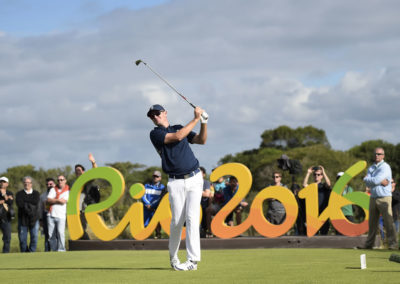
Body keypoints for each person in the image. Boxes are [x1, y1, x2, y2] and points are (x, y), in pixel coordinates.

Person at [147, 104, 207, 271]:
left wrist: (204, 122)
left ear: (165, 113)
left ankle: (192, 261)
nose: (155, 117)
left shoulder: (180, 127)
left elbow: (201, 140)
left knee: (193, 219)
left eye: (157, 113)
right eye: (152, 116)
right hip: (175, 182)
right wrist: (196, 118)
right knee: (177, 222)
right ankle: (174, 258)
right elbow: (178, 137)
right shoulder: (156, 134)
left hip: (195, 178)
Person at [361, 147, 397, 250]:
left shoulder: (385, 167)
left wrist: (371, 180)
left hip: (384, 197)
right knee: (372, 223)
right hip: (373, 197)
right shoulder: (371, 167)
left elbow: (372, 180)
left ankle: (393, 244)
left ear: (383, 156)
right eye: (375, 154)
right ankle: (369, 245)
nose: (377, 156)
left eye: (379, 154)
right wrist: (376, 180)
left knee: (388, 222)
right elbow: (367, 181)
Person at [303, 165, 331, 235]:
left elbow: (329, 184)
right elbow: (304, 185)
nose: (316, 176)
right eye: (315, 174)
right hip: (313, 215)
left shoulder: (323, 186)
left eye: (319, 175)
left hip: (323, 213)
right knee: (313, 235)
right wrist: (308, 173)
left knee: (324, 235)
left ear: (322, 176)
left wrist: (323, 172)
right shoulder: (311, 186)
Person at [76, 153, 98, 240]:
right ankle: (83, 243)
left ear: (83, 172)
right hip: (76, 210)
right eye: (76, 171)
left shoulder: (87, 180)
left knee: (83, 227)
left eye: (79, 170)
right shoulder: (75, 183)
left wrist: (93, 162)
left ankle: (87, 242)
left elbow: (94, 172)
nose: (78, 172)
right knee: (79, 228)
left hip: (86, 208)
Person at [16, 176, 40, 252]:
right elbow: (20, 204)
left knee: (34, 237)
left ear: (31, 184)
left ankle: (31, 252)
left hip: (34, 219)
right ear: (23, 184)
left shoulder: (36, 193)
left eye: (28, 183)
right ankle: (24, 253)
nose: (27, 184)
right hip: (23, 219)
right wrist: (29, 203)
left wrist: (25, 202)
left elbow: (35, 202)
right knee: (22, 239)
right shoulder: (19, 194)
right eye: (25, 183)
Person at [47, 175, 69, 251]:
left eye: (61, 180)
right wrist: (58, 200)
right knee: (51, 235)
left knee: (61, 233)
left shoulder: (68, 191)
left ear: (65, 180)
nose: (60, 181)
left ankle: (61, 249)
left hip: (61, 215)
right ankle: (53, 250)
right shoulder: (53, 189)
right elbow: (49, 200)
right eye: (58, 180)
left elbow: (64, 201)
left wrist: (55, 199)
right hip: (51, 214)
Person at [142, 170, 166, 239]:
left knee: (157, 223)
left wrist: (152, 205)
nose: (155, 178)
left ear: (160, 178)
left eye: (157, 176)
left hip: (155, 208)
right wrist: (148, 204)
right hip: (146, 207)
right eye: (154, 176)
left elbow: (160, 198)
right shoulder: (146, 186)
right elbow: (143, 196)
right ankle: (145, 236)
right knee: (145, 222)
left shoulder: (162, 187)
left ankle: (158, 235)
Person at [38, 178, 56, 251]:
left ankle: (57, 250)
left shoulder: (59, 194)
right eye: (47, 184)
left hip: (57, 214)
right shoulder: (43, 196)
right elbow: (40, 208)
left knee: (58, 234)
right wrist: (41, 220)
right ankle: (47, 251)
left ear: (54, 184)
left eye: (50, 184)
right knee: (47, 235)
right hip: (46, 215)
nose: (49, 185)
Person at [0, 176, 14, 253]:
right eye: (1, 181)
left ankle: (6, 253)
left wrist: (3, 194)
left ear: (7, 184)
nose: (2, 183)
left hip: (6, 218)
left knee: (7, 238)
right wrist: (3, 200)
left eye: (4, 182)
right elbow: (6, 200)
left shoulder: (9, 193)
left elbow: (10, 202)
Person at [199, 167, 211, 238]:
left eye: (199, 173)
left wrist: (195, 191)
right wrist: (202, 192)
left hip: (204, 205)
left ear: (204, 174)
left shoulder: (206, 183)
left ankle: (207, 231)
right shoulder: (192, 183)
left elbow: (207, 194)